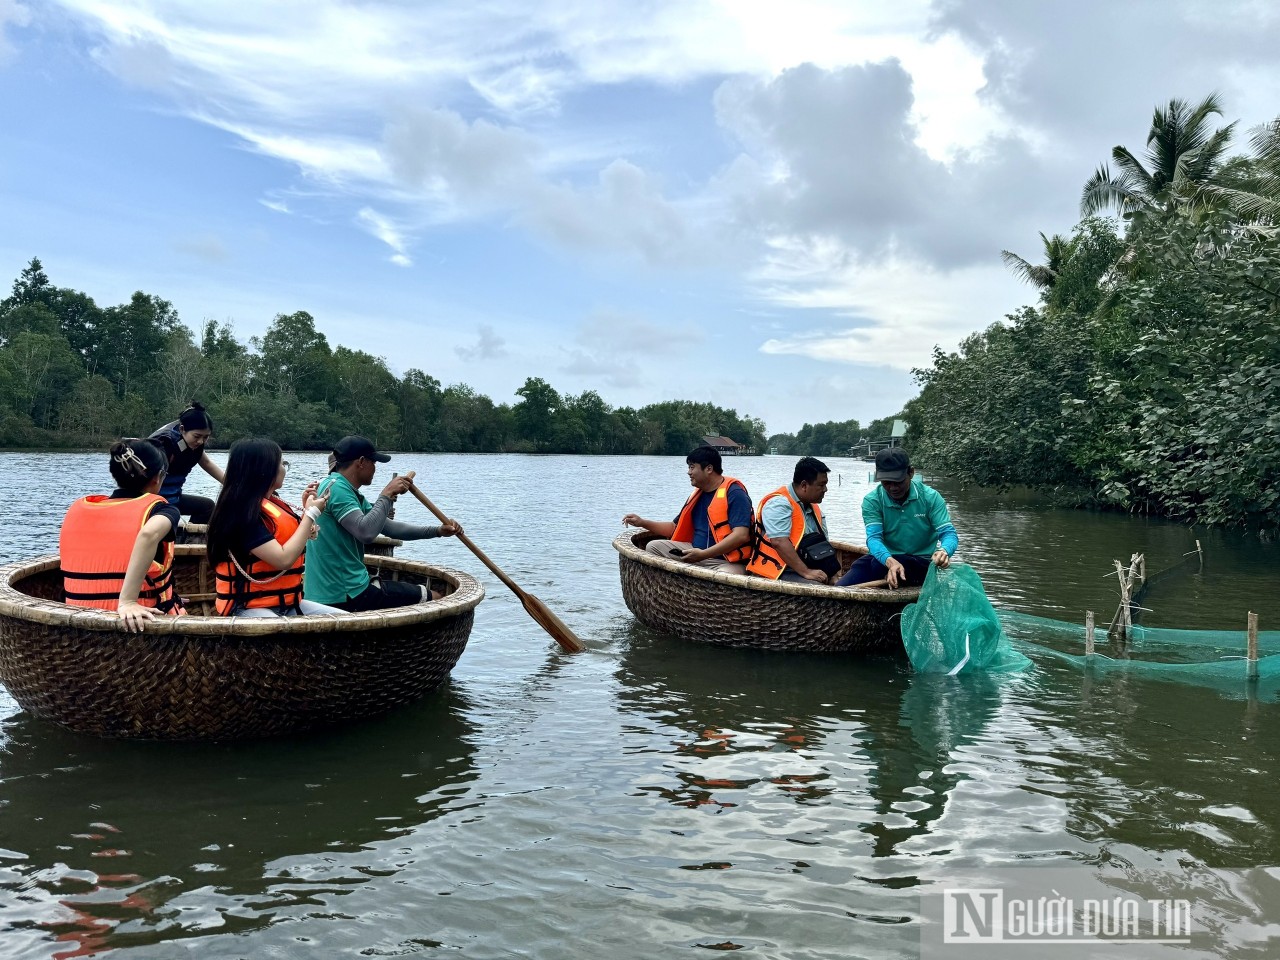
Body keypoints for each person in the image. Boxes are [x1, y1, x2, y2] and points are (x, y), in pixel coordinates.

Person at [304, 436, 463, 612]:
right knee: (436, 597)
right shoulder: (338, 489)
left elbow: (391, 528)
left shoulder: (341, 487)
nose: (375, 469)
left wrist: (438, 531)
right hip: (345, 592)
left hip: (337, 589)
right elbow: (366, 533)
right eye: (374, 463)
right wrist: (387, 494)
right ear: (361, 462)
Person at [205, 438, 344, 617]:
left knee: (343, 619)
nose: (284, 468)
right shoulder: (242, 514)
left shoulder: (271, 502)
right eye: (281, 463)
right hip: (247, 607)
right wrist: (312, 514)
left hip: (287, 603)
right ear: (264, 470)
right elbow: (283, 559)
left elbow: (293, 538)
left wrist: (305, 516)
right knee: (281, 633)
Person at [59, 438, 186, 632]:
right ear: (158, 477)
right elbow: (148, 534)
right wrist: (127, 601)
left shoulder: (78, 508)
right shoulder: (162, 511)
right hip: (135, 619)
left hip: (79, 619)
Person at [622, 445, 753, 575]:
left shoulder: (735, 493)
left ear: (709, 469)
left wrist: (703, 554)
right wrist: (642, 522)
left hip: (724, 562)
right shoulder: (697, 494)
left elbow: (741, 535)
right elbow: (674, 527)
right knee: (653, 547)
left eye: (692, 467)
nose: (689, 472)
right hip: (694, 553)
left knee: (726, 575)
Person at [838, 448, 957, 589]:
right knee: (842, 585)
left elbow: (948, 534)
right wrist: (890, 562)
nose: (893, 488)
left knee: (901, 563)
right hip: (884, 560)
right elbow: (874, 539)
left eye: (898, 482)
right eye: (886, 482)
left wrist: (944, 551)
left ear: (911, 473)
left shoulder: (931, 498)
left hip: (919, 562)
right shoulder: (872, 501)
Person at [746, 457, 841, 584]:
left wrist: (832, 574)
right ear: (804, 486)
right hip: (780, 570)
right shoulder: (778, 504)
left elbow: (823, 545)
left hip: (805, 565)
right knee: (817, 587)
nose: (825, 489)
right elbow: (779, 542)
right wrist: (806, 572)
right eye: (821, 485)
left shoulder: (814, 508)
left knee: (840, 582)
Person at [148, 401, 225, 523]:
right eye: (197, 436)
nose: (200, 441)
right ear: (182, 429)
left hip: (174, 499)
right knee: (172, 515)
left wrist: (233, 484)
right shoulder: (165, 443)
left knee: (207, 507)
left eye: (206, 437)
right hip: (153, 503)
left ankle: (190, 540)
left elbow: (207, 463)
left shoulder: (194, 443)